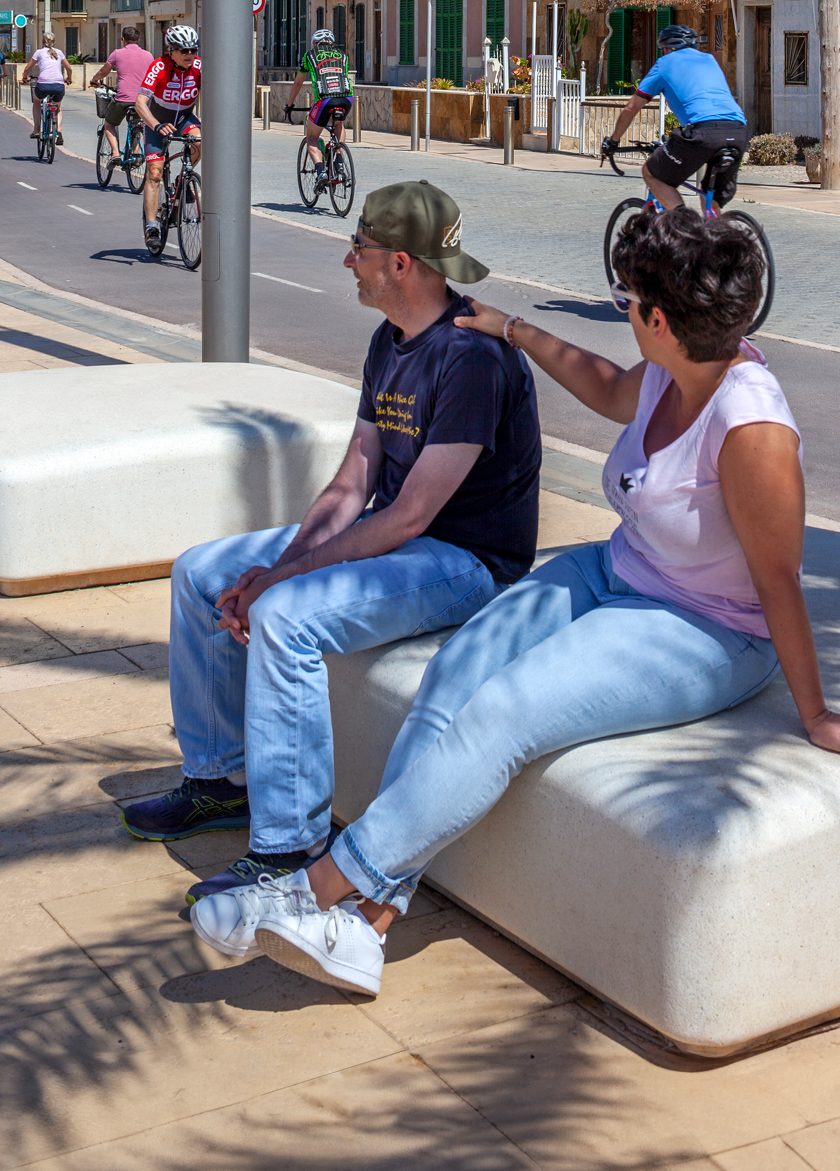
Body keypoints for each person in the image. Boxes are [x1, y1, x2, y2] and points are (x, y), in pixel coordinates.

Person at [190, 207, 840, 996]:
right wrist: (516, 331)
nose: (624, 315)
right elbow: (611, 389)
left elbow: (778, 581)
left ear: (661, 320)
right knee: (457, 666)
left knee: (507, 713)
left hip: (710, 626)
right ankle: (367, 925)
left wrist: (816, 713)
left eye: (627, 303)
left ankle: (312, 894)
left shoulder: (752, 429)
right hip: (618, 567)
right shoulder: (679, 365)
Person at [122, 180, 543, 911]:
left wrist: (282, 585)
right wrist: (278, 566)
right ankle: (223, 780)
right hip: (405, 536)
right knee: (199, 573)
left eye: (361, 248)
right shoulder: (391, 341)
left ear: (403, 263)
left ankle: (287, 850)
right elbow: (355, 480)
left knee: (287, 618)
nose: (350, 261)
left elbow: (410, 516)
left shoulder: (473, 358)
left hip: (467, 562)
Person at [601, 24, 750, 213]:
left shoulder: (664, 64)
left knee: (651, 173)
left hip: (703, 131)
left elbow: (631, 108)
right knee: (709, 198)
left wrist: (613, 141)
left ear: (666, 49)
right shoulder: (710, 59)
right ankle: (714, 237)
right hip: (737, 131)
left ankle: (685, 222)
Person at [137, 25, 202, 251]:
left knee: (200, 141)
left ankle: (181, 180)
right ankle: (152, 226)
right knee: (154, 173)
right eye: (183, 51)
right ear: (170, 51)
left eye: (193, 50)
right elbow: (140, 103)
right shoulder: (158, 66)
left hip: (184, 117)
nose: (189, 55)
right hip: (157, 120)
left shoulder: (199, 67)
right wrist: (155, 124)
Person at [284, 28, 352, 184]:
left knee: (312, 137)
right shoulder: (342, 55)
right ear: (332, 43)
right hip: (346, 98)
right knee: (338, 124)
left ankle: (321, 173)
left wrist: (289, 105)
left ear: (315, 43)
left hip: (325, 99)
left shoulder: (309, 55)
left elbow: (298, 82)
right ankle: (339, 159)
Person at [89, 25, 154, 158]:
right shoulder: (148, 55)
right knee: (137, 124)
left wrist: (95, 80)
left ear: (123, 40)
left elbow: (103, 71)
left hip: (123, 99)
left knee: (109, 124)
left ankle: (115, 153)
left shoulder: (117, 53)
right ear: (139, 39)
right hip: (142, 100)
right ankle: (136, 155)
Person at [22, 33, 73, 145]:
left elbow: (27, 68)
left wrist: (25, 77)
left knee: (36, 101)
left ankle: (36, 130)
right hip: (58, 85)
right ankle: (58, 130)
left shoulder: (39, 52)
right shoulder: (59, 52)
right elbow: (69, 68)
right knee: (57, 106)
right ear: (54, 43)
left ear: (42, 43)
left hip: (43, 85)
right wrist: (68, 78)